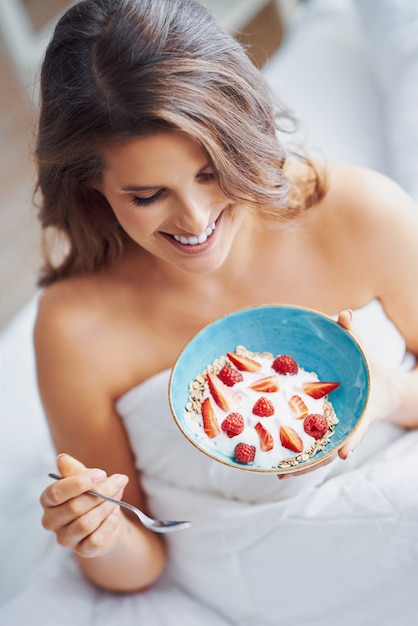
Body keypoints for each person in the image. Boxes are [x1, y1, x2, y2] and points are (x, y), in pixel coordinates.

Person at [35, 0, 418, 622]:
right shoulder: (75, 328)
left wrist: (388, 394)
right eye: (149, 194)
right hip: (268, 582)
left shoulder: (360, 212)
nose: (194, 220)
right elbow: (142, 561)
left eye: (212, 172)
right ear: (91, 186)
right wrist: (97, 537)